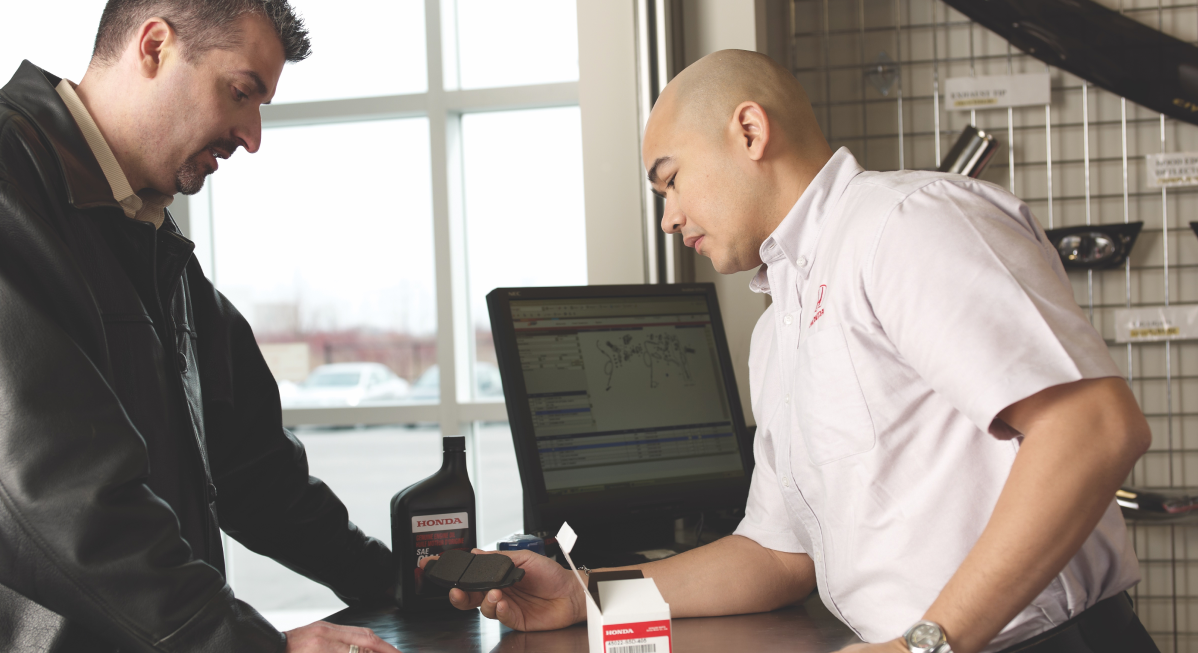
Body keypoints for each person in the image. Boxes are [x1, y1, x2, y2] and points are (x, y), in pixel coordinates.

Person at [427, 50, 1158, 653]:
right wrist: (583, 596)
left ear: (750, 131)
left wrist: (925, 645)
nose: (669, 218)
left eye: (671, 180)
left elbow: (1093, 429)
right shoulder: (779, 329)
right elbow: (777, 556)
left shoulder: (907, 224)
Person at [0, 0, 398, 651]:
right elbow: (57, 496)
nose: (252, 136)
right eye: (241, 92)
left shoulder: (146, 236)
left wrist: (399, 585)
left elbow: (256, 473)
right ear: (154, 47)